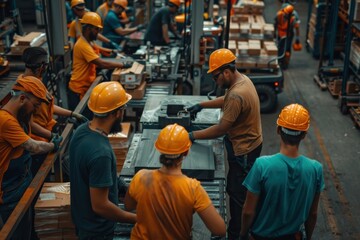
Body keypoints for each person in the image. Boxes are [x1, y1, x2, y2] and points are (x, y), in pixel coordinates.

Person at [187, 48, 262, 239]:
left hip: (243, 150)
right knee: (237, 189)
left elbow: (221, 128)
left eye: (216, 77)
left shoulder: (237, 94)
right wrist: (202, 104)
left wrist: (192, 135)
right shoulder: (241, 81)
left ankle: (237, 233)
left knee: (238, 195)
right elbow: (226, 101)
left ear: (226, 71)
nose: (215, 81)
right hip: (250, 143)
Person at [124, 124, 226, 239]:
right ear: (186, 152)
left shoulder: (141, 177)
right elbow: (220, 229)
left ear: (159, 150)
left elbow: (128, 206)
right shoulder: (192, 188)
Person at [240, 104, 325, 240]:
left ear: (278, 130)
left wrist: (243, 234)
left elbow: (248, 212)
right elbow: (312, 214)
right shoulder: (316, 169)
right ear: (304, 135)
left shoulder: (262, 165)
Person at [69, 81, 136, 239]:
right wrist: (136, 219)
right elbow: (100, 206)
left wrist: (122, 186)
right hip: (97, 231)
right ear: (117, 113)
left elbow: (89, 173)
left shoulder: (82, 130)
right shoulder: (101, 153)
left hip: (82, 221)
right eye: (123, 109)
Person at [0, 76, 62, 239]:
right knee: (18, 233)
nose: (35, 110)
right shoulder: (5, 120)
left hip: (22, 178)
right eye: (35, 105)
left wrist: (51, 135)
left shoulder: (19, 115)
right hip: (10, 189)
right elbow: (33, 147)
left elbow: (31, 126)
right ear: (22, 98)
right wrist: (53, 145)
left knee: (29, 227)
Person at [68, 11, 132, 111]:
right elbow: (101, 63)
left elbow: (96, 48)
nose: (98, 33)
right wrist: (122, 64)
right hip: (79, 89)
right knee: (80, 117)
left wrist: (111, 51)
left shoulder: (87, 41)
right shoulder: (82, 45)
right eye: (96, 29)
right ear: (88, 29)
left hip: (86, 85)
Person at [274, 3, 300, 69]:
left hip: (289, 35)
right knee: (280, 47)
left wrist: (297, 39)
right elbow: (275, 24)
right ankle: (279, 61)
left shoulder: (293, 18)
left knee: (287, 49)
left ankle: (285, 63)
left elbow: (297, 28)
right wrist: (274, 33)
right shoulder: (279, 14)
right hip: (280, 34)